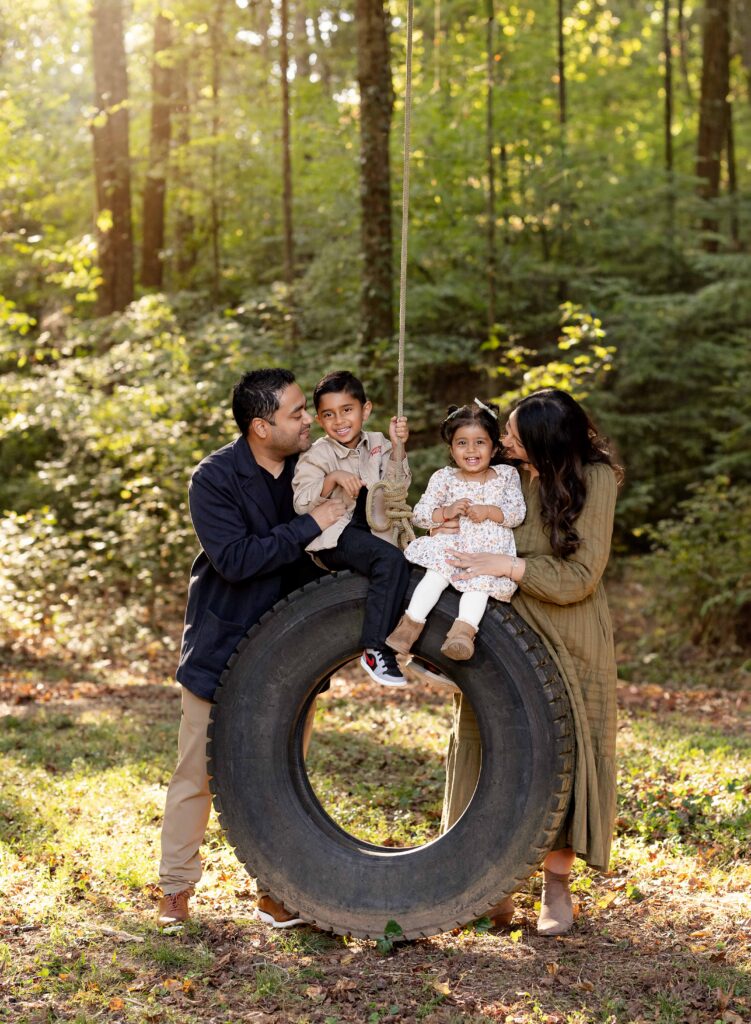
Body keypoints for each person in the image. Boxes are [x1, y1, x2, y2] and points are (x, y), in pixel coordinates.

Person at [157, 368, 346, 928]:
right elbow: (236, 559)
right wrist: (309, 524)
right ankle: (174, 889)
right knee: (198, 774)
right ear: (261, 427)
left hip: (296, 651)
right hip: (224, 643)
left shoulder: (313, 469)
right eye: (296, 412)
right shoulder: (213, 478)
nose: (309, 418)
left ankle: (277, 891)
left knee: (281, 776)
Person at [440, 388, 622, 937]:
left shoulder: (596, 480)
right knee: (483, 739)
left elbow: (581, 575)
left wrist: (509, 563)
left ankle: (555, 887)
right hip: (500, 628)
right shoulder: (505, 473)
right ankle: (486, 880)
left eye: (516, 434)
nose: (505, 441)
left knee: (564, 751)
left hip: (570, 634)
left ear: (547, 440)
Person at [292, 370, 411, 686]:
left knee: (413, 565)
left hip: (370, 530)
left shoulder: (378, 444)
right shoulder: (317, 454)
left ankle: (415, 646)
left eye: (347, 410)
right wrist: (330, 480)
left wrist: (398, 447)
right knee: (389, 561)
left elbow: (398, 487)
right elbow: (301, 502)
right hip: (335, 537)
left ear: (365, 410)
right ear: (320, 419)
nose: (339, 420)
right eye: (329, 414)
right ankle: (374, 648)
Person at [386, 399, 525, 661]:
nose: (471, 450)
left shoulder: (506, 475)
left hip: (486, 554)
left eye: (480, 442)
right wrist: (446, 512)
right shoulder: (444, 478)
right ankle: (409, 626)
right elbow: (421, 514)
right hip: (451, 546)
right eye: (462, 443)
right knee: (435, 576)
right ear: (451, 449)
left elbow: (516, 513)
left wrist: (488, 511)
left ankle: (462, 634)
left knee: (479, 587)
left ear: (494, 448)